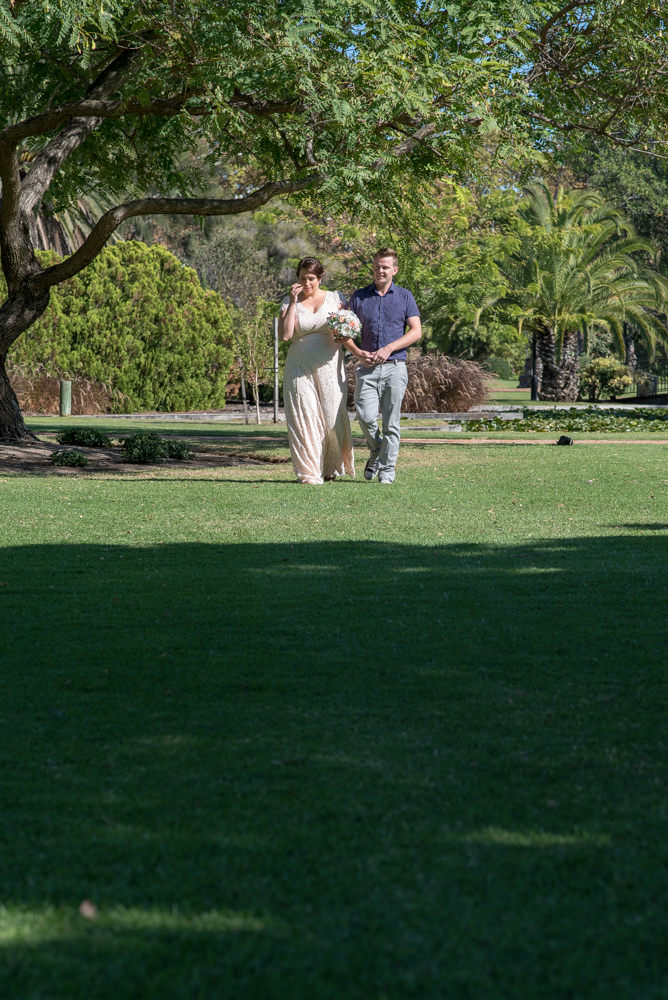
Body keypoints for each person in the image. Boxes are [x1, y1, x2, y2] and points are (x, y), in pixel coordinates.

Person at [279, 256, 364, 485]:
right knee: (304, 417)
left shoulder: (336, 299)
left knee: (331, 417)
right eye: (302, 279)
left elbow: (346, 332)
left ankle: (331, 468)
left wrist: (358, 353)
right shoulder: (289, 304)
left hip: (329, 367)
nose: (306, 284)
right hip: (299, 367)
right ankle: (308, 473)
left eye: (311, 279)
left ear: (320, 277)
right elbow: (286, 336)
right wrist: (293, 301)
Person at [345, 248, 422, 484]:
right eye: (377, 266)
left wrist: (389, 348)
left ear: (394, 270)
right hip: (366, 368)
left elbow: (416, 331)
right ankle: (377, 451)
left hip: (395, 367)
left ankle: (387, 469)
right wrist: (357, 353)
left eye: (385, 267)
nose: (380, 270)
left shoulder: (405, 297)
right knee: (365, 416)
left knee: (391, 423)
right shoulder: (359, 297)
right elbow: (341, 330)